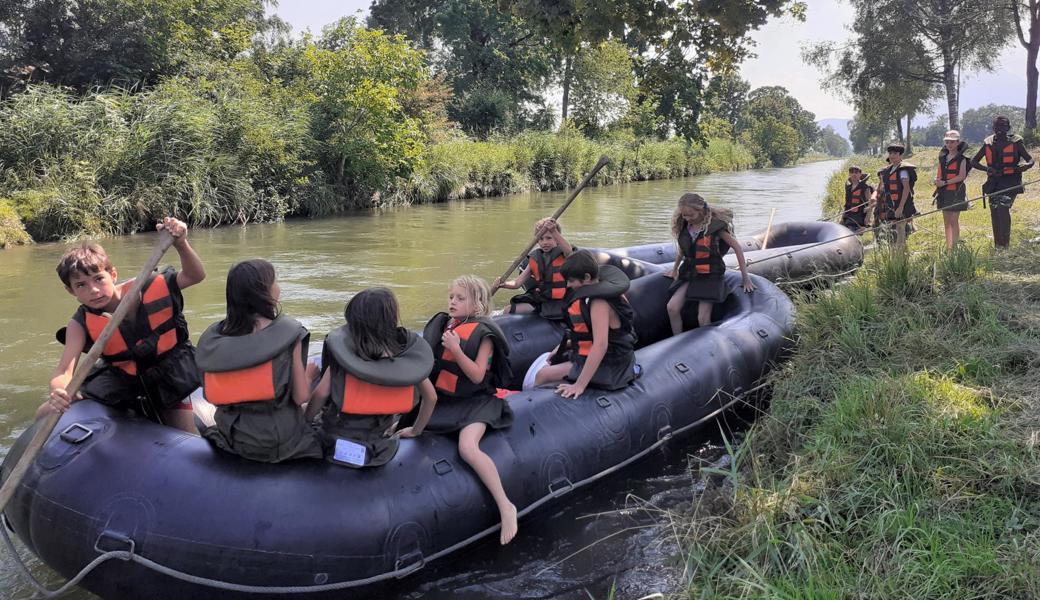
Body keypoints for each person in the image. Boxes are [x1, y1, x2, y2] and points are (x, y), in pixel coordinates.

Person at [38, 217, 205, 434]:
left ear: (113, 274)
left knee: (186, 436)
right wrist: (59, 391)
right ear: (71, 291)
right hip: (124, 380)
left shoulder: (148, 286)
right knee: (44, 412)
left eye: (99, 279)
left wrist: (181, 243)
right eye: (81, 285)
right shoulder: (79, 323)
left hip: (169, 376)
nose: (94, 290)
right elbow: (64, 370)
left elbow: (195, 276)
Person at [409, 275, 517, 544]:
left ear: (478, 303)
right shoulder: (447, 325)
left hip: (477, 403)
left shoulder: (484, 334)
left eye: (460, 298)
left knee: (468, 448)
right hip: (447, 402)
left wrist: (457, 350)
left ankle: (506, 506)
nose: (452, 302)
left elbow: (478, 376)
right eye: (451, 297)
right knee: (408, 423)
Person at [195, 259, 323, 463]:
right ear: (264, 293)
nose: (278, 287)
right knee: (320, 432)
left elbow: (212, 396)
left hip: (232, 436)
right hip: (277, 442)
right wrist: (309, 376)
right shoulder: (289, 337)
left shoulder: (216, 341)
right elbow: (300, 397)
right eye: (275, 282)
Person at [305, 287, 438, 468]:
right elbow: (431, 397)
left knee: (303, 407)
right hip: (380, 448)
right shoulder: (405, 363)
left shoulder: (344, 359)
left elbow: (320, 395)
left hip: (333, 442)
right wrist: (416, 430)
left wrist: (305, 421)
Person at [534, 250, 639, 396]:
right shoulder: (607, 291)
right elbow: (598, 334)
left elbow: (601, 345)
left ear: (587, 277)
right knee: (555, 361)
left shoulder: (599, 303)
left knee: (542, 375)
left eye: (571, 280)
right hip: (614, 355)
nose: (569, 285)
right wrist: (564, 346)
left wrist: (579, 385)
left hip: (611, 365)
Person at [664, 193, 754, 336]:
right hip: (691, 272)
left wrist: (745, 277)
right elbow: (683, 249)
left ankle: (707, 347)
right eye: (684, 215)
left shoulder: (714, 227)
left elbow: (737, 247)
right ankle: (677, 341)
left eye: (691, 215)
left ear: (701, 211)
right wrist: (675, 269)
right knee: (672, 307)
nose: (687, 219)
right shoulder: (686, 225)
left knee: (702, 317)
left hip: (710, 275)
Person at [970, 116, 1035, 249]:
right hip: (993, 183)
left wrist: (1026, 165)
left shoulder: (1016, 141)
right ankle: (998, 245)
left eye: (1003, 126)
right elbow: (974, 161)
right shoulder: (988, 142)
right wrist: (987, 169)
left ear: (1008, 127)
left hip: (1011, 181)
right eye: (997, 126)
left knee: (1003, 209)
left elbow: (1030, 159)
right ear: (993, 128)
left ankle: (1005, 245)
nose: (1000, 129)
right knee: (994, 211)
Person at [492, 217, 574, 319]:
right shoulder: (535, 259)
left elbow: (569, 251)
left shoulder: (564, 254)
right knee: (508, 310)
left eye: (549, 238)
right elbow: (517, 283)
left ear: (557, 239)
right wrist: (503, 284)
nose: (545, 242)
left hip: (562, 300)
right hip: (541, 299)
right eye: (541, 239)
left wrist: (554, 231)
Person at [871, 142, 918, 247]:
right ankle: (897, 255)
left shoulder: (903, 171)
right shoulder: (889, 170)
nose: (892, 156)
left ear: (901, 155)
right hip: (891, 205)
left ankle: (901, 258)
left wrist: (900, 207)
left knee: (901, 230)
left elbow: (906, 189)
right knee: (896, 230)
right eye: (890, 153)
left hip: (901, 205)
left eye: (895, 153)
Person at [933, 130, 971, 249]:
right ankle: (949, 247)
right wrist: (937, 181)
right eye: (947, 142)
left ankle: (954, 247)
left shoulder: (963, 159)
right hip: (943, 193)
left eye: (952, 142)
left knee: (954, 220)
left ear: (958, 143)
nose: (950, 144)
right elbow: (939, 174)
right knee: (946, 221)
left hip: (956, 192)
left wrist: (945, 182)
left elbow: (961, 176)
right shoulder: (942, 158)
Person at [842, 165, 873, 232]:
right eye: (852, 172)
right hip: (849, 216)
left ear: (860, 174)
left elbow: (870, 203)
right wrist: (843, 216)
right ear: (849, 174)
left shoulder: (865, 187)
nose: (854, 174)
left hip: (860, 217)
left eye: (856, 172)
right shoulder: (848, 187)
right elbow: (847, 204)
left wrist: (868, 218)